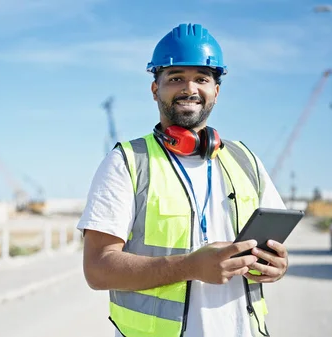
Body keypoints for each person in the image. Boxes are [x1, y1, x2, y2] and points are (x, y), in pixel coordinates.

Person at [77, 23, 289, 337]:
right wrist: (190, 267)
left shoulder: (246, 161)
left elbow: (272, 250)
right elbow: (97, 269)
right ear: (155, 89)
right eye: (176, 78)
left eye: (202, 79)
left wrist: (277, 265)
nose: (189, 89)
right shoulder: (127, 163)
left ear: (216, 90)